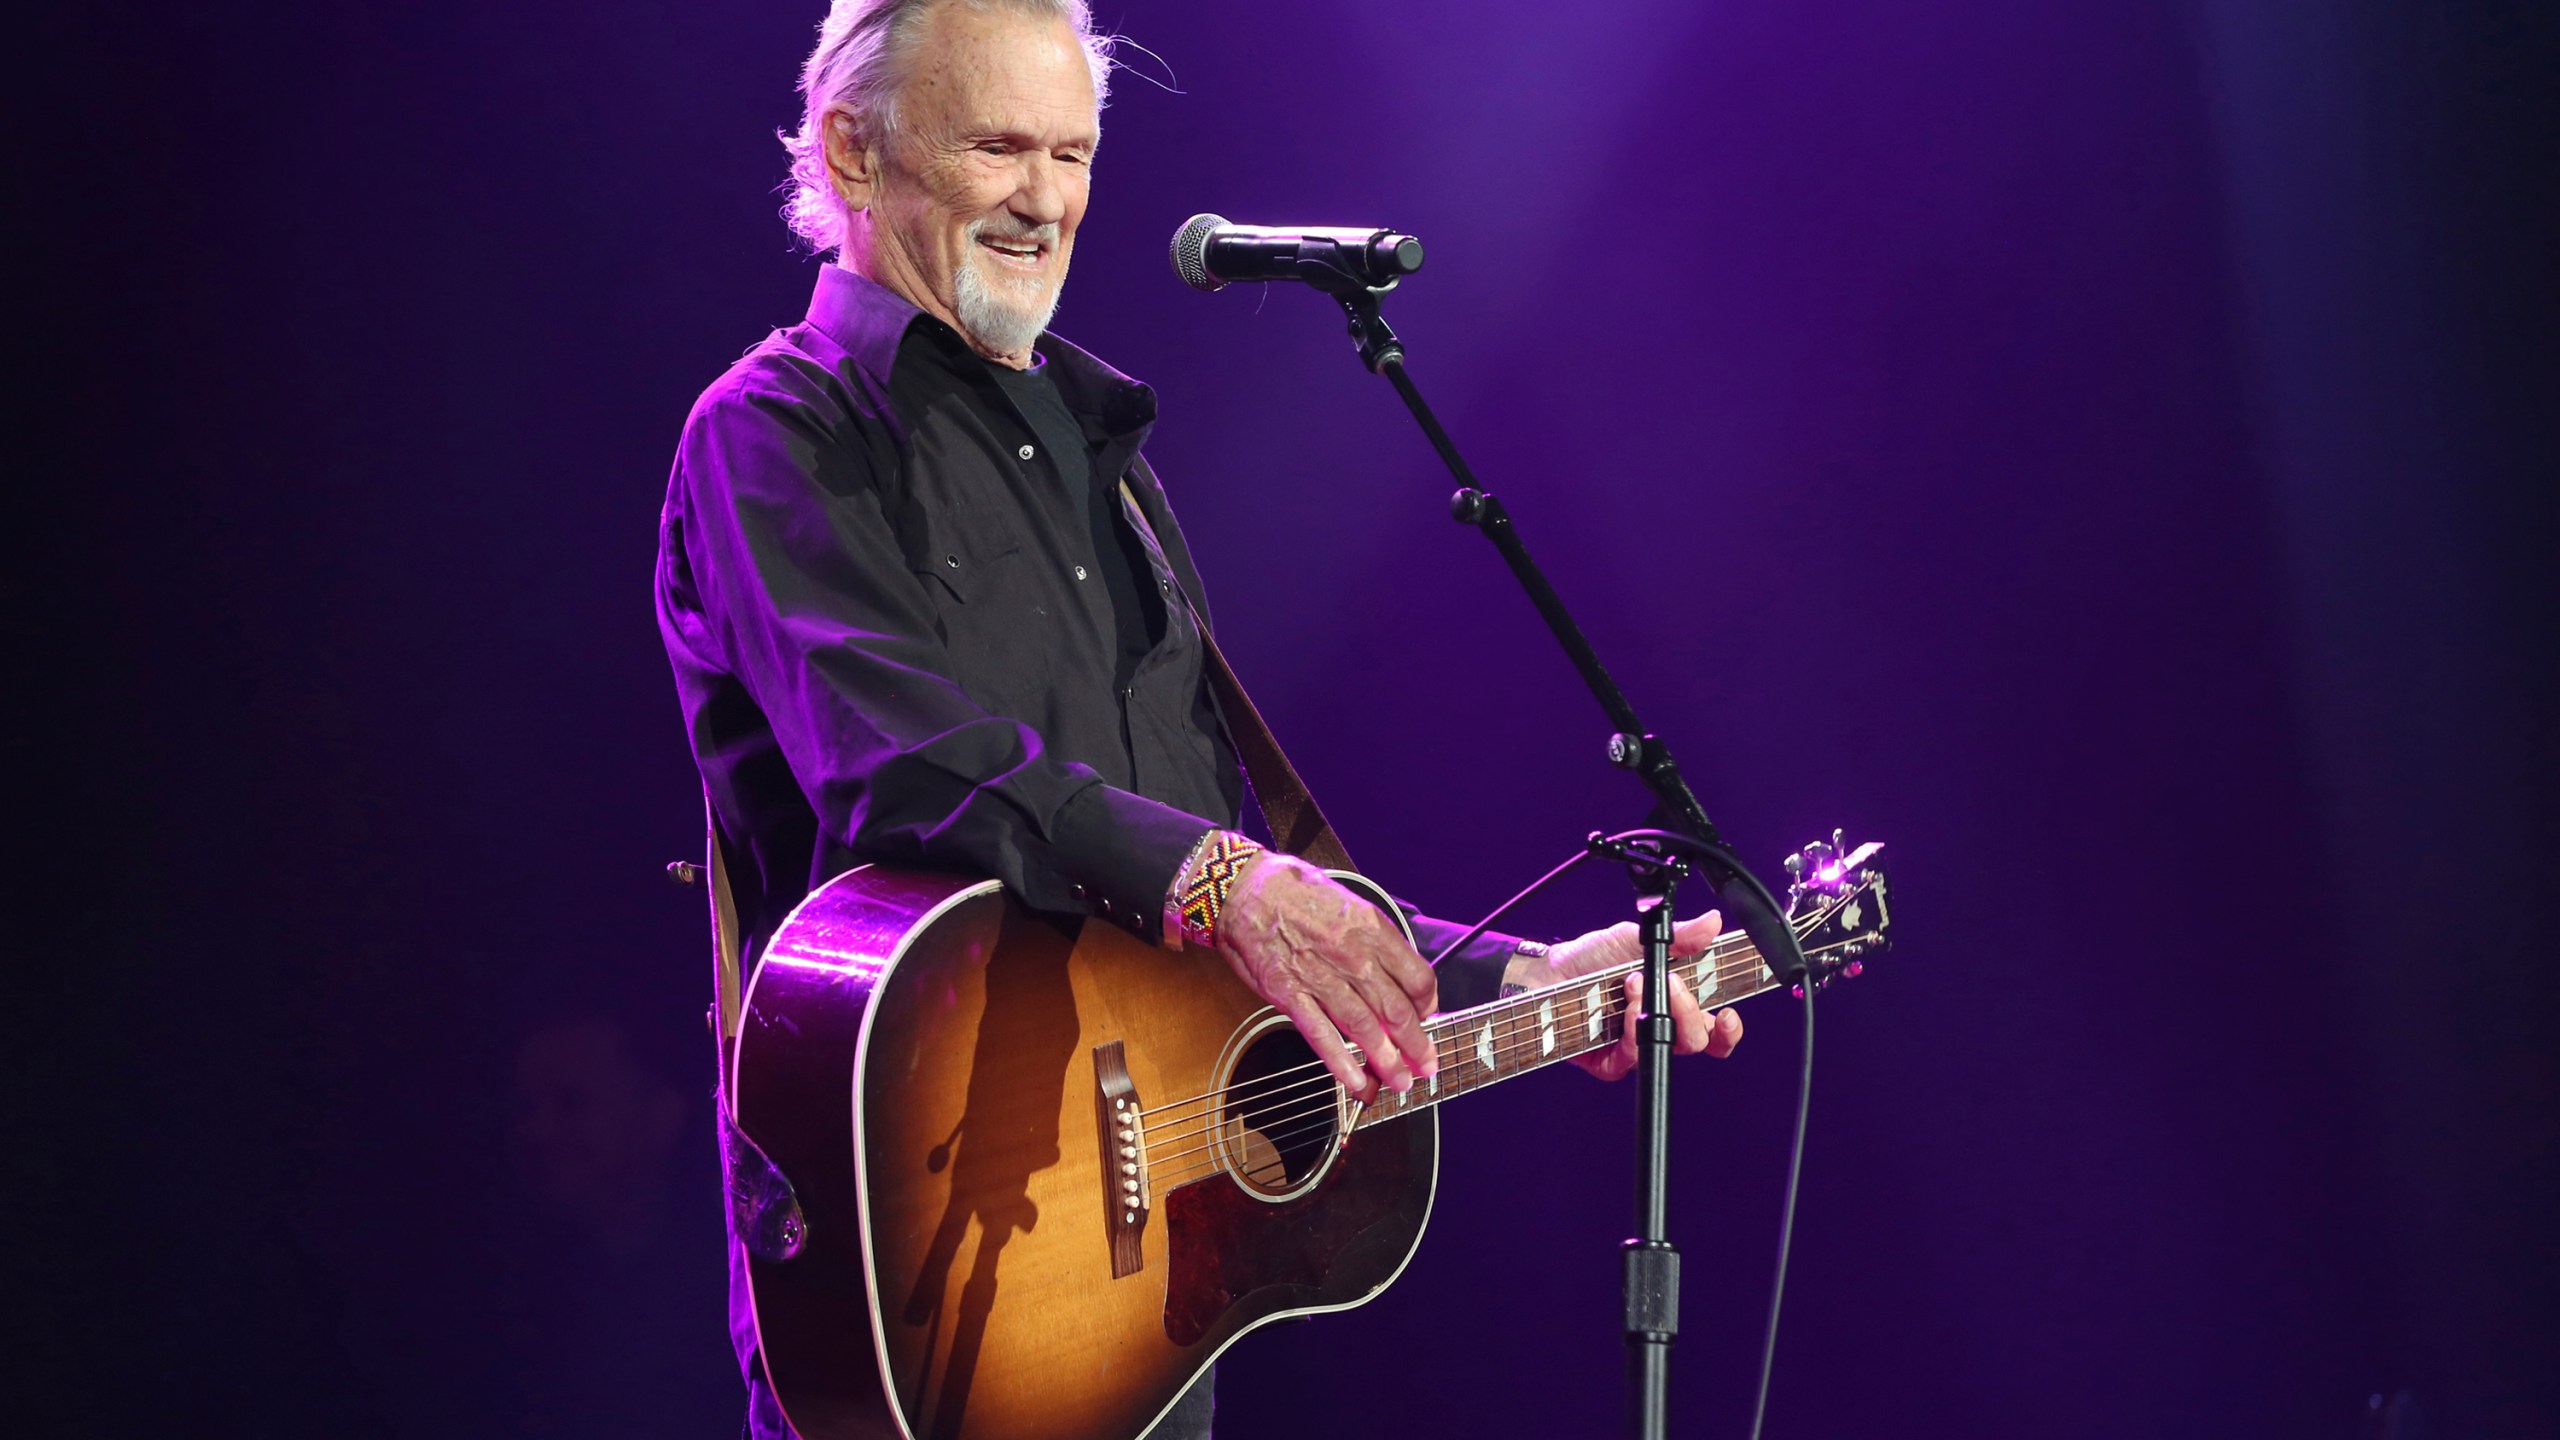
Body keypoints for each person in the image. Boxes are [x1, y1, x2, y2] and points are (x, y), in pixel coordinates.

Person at [653, 2, 1745, 1434]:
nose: (1046, 198)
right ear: (856, 152)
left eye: (1074, 153)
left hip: (1134, 1299)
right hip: (921, 1271)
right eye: (998, 146)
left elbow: (1225, 866)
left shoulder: (1111, 470)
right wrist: (1224, 884)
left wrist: (1517, 978)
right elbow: (902, 762)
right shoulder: (774, 432)